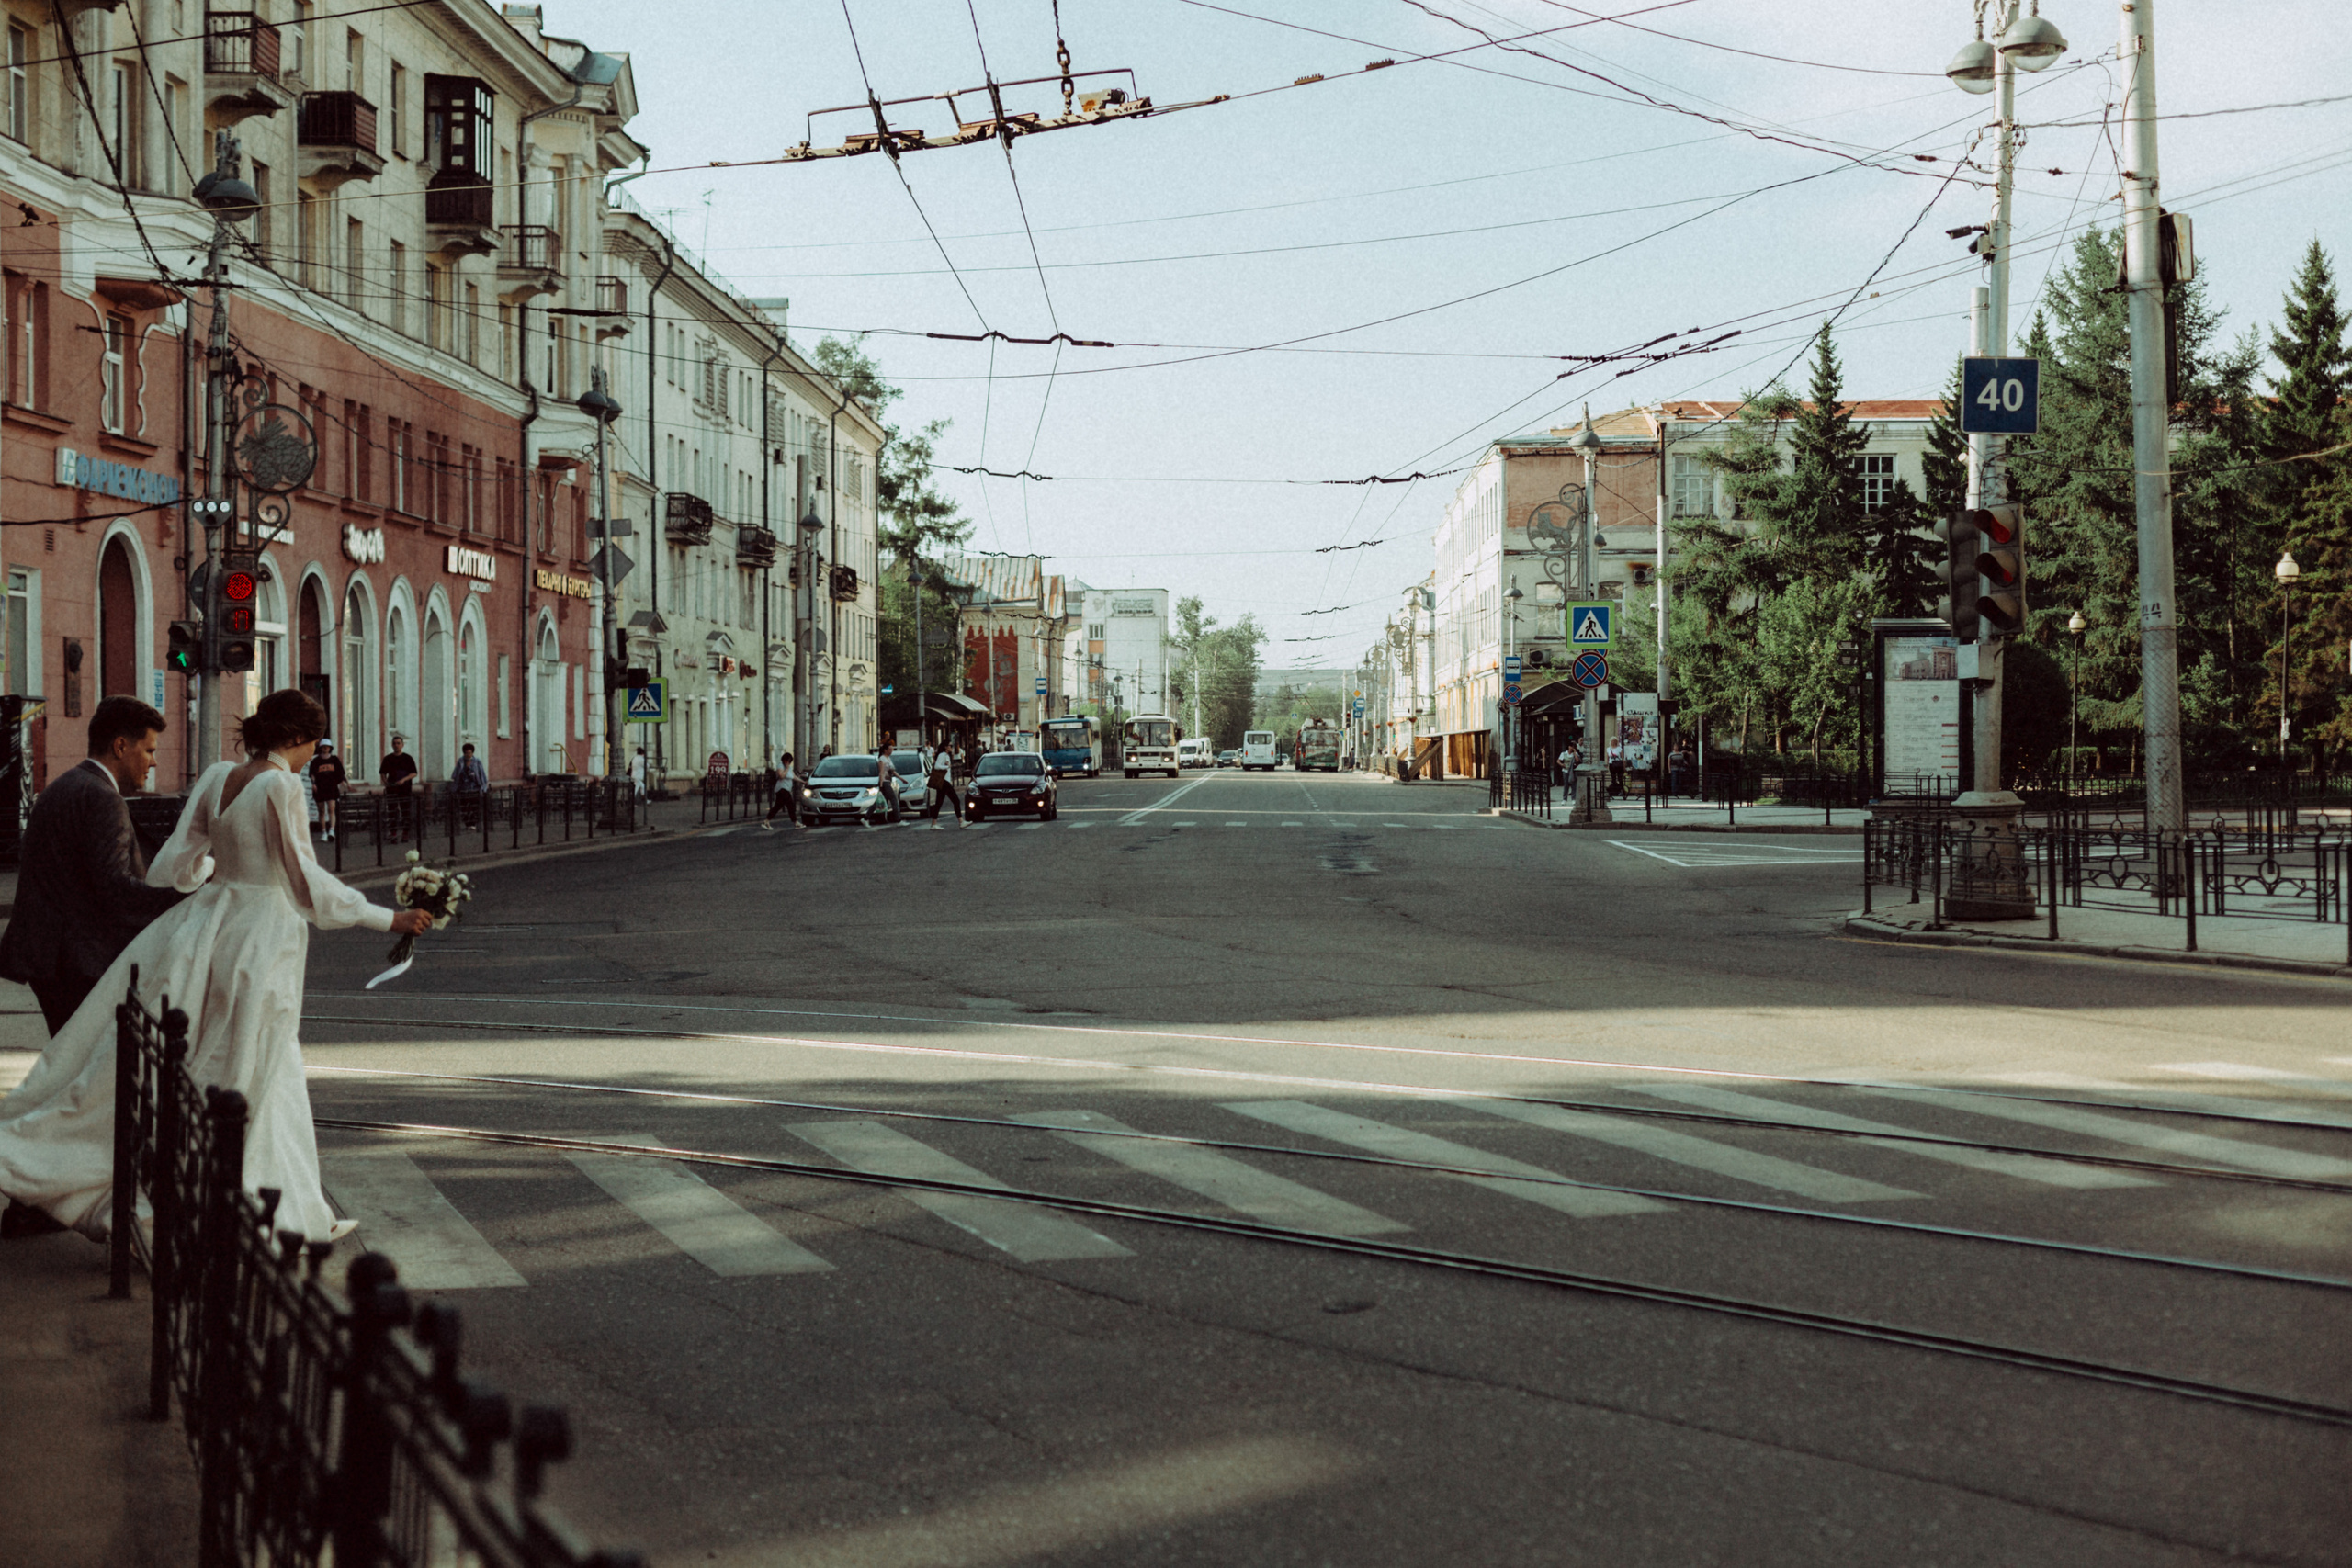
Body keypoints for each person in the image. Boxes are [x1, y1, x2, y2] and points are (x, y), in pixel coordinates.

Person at [0, 690, 430, 1244]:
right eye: (311, 746)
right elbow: (305, 884)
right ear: (296, 739)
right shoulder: (280, 786)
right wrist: (386, 919)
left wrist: (192, 906)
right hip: (262, 937)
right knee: (257, 1064)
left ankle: (143, 1179)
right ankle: (243, 1202)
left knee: (207, 1058)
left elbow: (177, 862)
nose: (309, 758)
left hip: (209, 930)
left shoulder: (217, 777)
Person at [0, 696, 184, 1040]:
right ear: (120, 746)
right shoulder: (102, 798)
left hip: (51, 960)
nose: (154, 762)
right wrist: (182, 896)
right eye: (148, 750)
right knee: (86, 1072)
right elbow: (115, 887)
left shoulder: (63, 786)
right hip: (79, 964)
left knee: (71, 1065)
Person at [380, 732, 419, 841]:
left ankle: (405, 833)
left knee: (405, 810)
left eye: (398, 743)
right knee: (392, 811)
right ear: (392, 745)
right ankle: (393, 833)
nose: (396, 745)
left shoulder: (407, 758)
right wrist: (386, 782)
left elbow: (414, 773)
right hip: (392, 788)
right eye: (394, 743)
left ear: (402, 745)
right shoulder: (388, 759)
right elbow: (383, 773)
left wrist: (404, 779)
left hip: (405, 788)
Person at [310, 739, 346, 841]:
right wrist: (313, 784)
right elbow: (312, 774)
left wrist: (347, 782)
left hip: (331, 787)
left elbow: (341, 772)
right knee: (321, 811)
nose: (325, 748)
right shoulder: (316, 761)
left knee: (331, 808)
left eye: (327, 746)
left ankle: (331, 830)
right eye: (323, 746)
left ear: (330, 748)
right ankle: (323, 832)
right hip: (320, 788)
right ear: (321, 748)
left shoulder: (334, 760)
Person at [922, 742, 961, 829]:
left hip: (945, 781)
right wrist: (946, 767)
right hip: (943, 781)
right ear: (945, 747)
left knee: (938, 803)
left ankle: (934, 824)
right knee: (956, 800)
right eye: (950, 745)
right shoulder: (942, 755)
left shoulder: (947, 755)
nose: (951, 747)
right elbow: (936, 766)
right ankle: (961, 821)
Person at [763, 751, 802, 830]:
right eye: (787, 760)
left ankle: (767, 821)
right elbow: (781, 776)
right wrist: (787, 768)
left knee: (778, 806)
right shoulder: (780, 766)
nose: (788, 762)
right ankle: (796, 822)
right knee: (790, 805)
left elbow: (793, 777)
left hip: (786, 789)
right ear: (783, 760)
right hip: (782, 789)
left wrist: (803, 781)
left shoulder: (790, 768)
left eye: (789, 761)